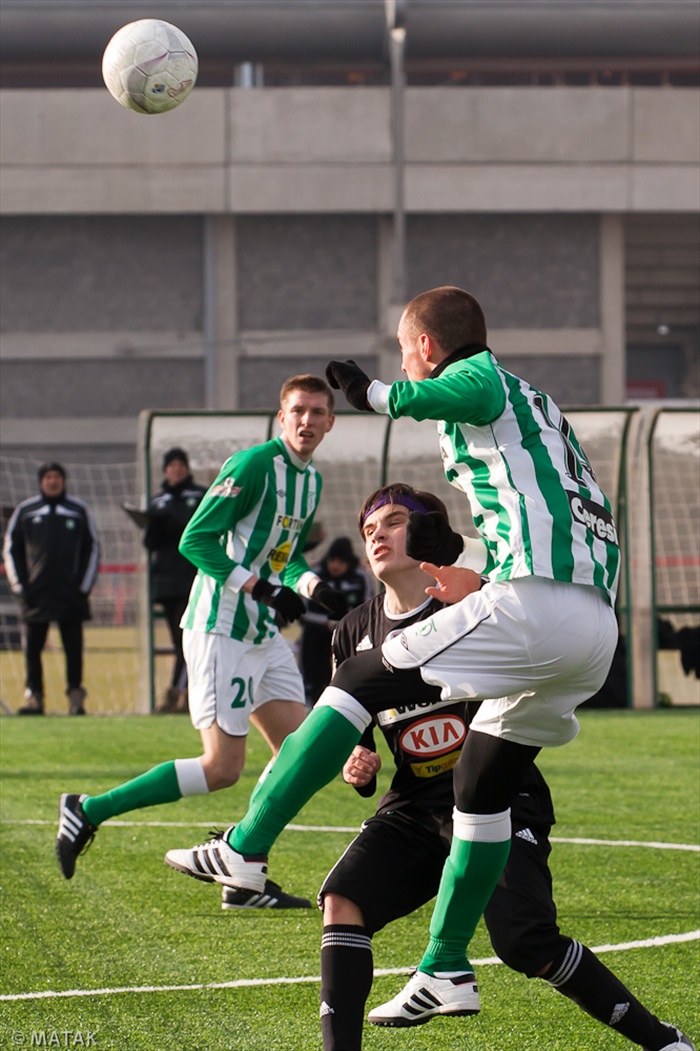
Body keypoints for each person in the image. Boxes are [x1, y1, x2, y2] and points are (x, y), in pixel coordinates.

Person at [162, 285, 626, 1016]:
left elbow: (461, 385)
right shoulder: (535, 410)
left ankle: (246, 847)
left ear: (427, 348)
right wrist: (474, 566)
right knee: (480, 786)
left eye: (408, 350)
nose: (408, 362)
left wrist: (371, 392)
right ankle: (447, 967)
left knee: (359, 675)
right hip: (593, 626)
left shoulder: (481, 378)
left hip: (541, 607)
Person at [317, 482, 694, 1051]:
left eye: (393, 522)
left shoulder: (474, 600)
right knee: (343, 900)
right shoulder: (351, 630)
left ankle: (662, 1041)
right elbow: (356, 727)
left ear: (428, 531)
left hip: (498, 795)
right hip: (416, 803)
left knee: (525, 943)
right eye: (369, 529)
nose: (377, 536)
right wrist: (357, 761)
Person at [55, 375, 346, 910]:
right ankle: (87, 810)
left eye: (317, 412)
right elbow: (196, 540)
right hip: (220, 628)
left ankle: (243, 873)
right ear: (281, 417)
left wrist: (312, 586)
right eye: (298, 410)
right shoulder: (254, 466)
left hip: (262, 632)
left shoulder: (312, 481)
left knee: (303, 751)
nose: (306, 421)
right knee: (222, 768)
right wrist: (261, 588)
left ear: (330, 422)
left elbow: (285, 557)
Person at [3, 461, 100, 716]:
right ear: (41, 481)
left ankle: (75, 696)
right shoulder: (26, 511)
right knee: (32, 649)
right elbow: (11, 549)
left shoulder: (78, 510)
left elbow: (92, 548)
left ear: (63, 481)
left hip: (70, 594)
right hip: (36, 594)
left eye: (57, 477)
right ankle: (34, 697)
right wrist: (21, 586)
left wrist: (83, 587)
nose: (53, 481)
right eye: (48, 477)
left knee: (73, 648)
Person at [143, 447, 207, 713]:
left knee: (189, 638)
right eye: (172, 465)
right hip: (167, 581)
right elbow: (149, 542)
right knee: (179, 640)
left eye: (180, 465)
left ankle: (181, 693)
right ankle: (180, 693)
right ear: (165, 470)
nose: (176, 469)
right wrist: (156, 526)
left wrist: (177, 523)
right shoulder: (158, 501)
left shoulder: (200, 495)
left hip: (194, 577)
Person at [299, 536, 372, 704]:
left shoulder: (360, 575)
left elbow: (368, 608)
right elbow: (304, 613)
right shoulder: (316, 574)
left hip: (350, 632)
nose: (335, 566)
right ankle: (311, 694)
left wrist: (347, 623)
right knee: (310, 642)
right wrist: (326, 623)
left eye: (341, 562)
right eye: (332, 560)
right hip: (318, 631)